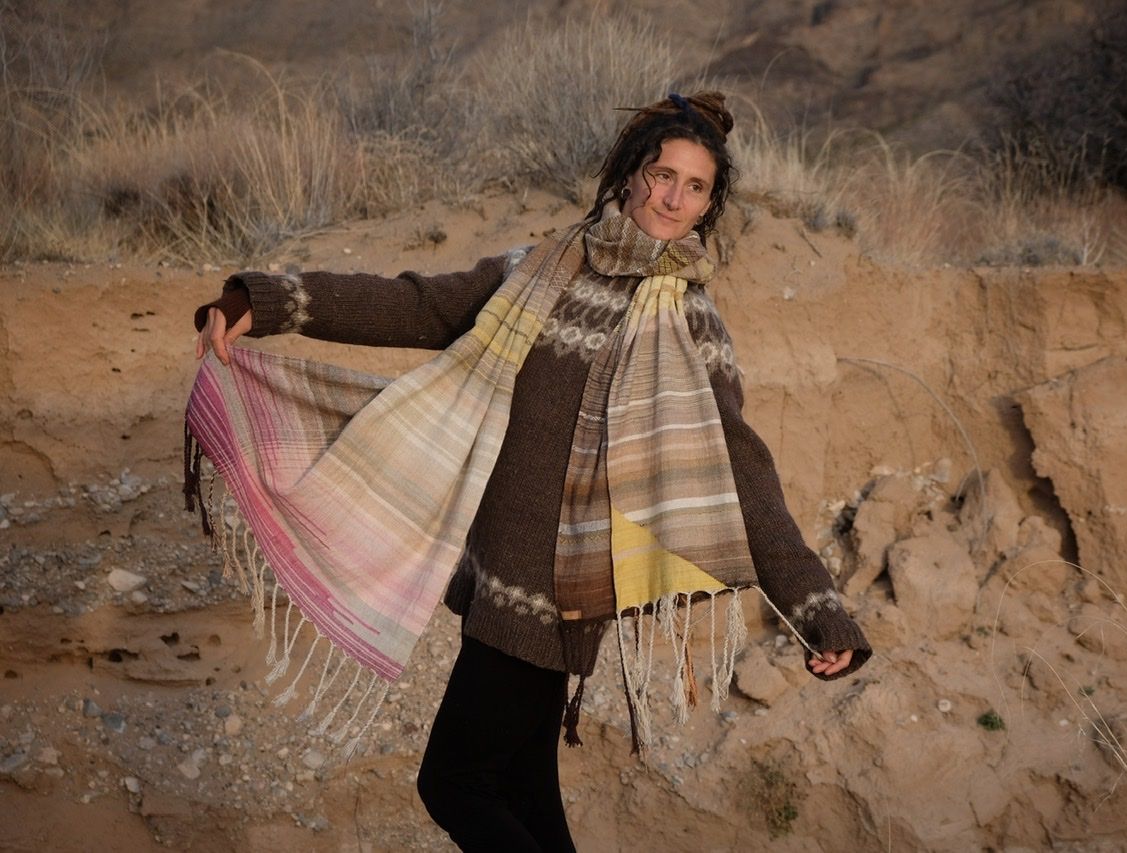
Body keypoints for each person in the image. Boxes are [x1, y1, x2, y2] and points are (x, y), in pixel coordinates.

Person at [192, 91, 872, 852]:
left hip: (558, 596)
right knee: (524, 795)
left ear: (709, 205)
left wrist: (818, 608)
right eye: (662, 174)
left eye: (695, 186)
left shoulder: (690, 323)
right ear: (629, 173)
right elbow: (419, 307)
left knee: (451, 783)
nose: (672, 197)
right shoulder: (541, 269)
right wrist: (267, 300)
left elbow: (745, 471)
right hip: (501, 575)